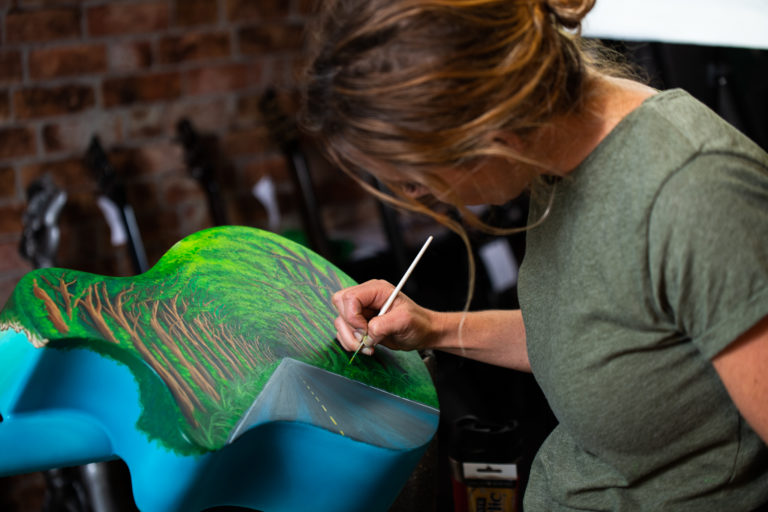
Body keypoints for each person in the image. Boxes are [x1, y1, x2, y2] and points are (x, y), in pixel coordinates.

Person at [299, 0, 768, 509]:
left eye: (415, 175)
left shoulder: (697, 193)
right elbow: (604, 337)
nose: (416, 196)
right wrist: (432, 327)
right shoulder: (554, 156)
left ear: (491, 126)